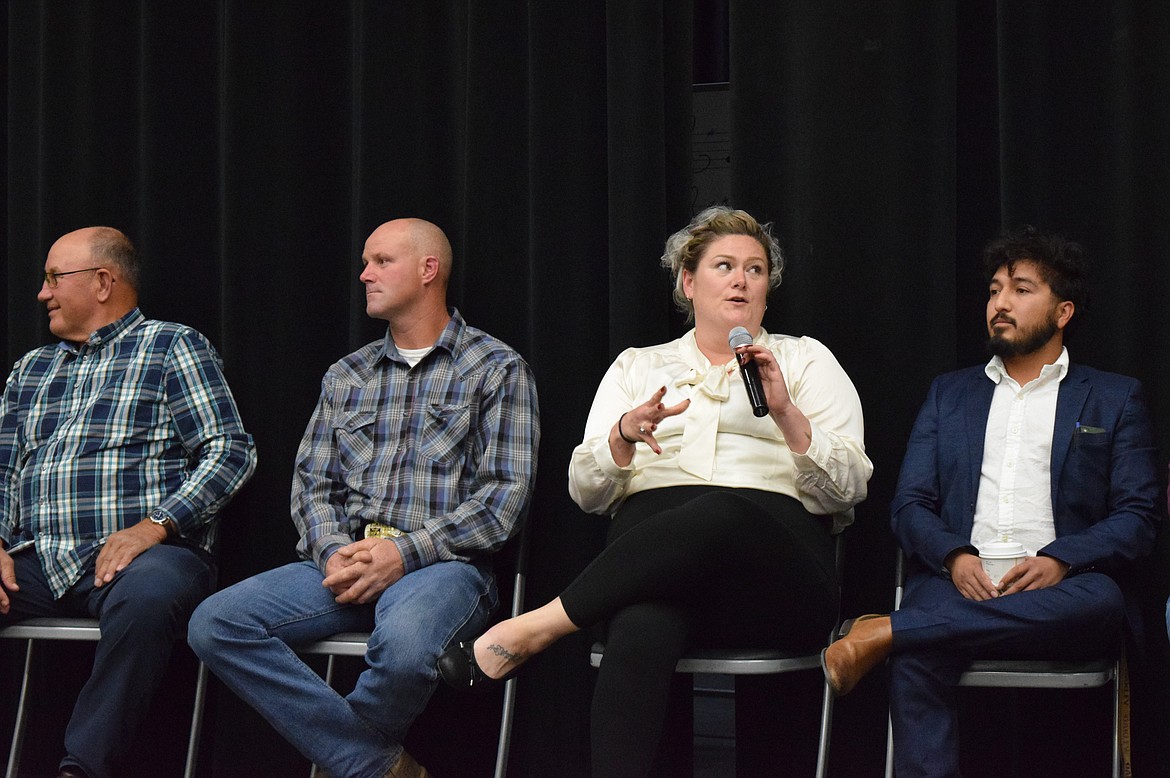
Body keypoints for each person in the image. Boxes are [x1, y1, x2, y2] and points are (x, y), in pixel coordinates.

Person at [438, 206, 872, 776]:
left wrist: (787, 412)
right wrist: (621, 437)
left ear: (768, 289)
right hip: (654, 577)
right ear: (688, 283)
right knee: (642, 620)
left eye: (756, 269)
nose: (742, 279)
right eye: (724, 266)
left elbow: (850, 489)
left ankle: (537, 627)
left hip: (774, 583)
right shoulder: (636, 368)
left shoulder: (806, 359)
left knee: (721, 509)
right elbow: (585, 493)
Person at [188, 218, 539, 778]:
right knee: (215, 622)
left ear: (429, 270)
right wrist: (332, 552)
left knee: (403, 652)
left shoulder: (496, 368)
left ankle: (344, 765)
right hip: (345, 563)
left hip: (443, 569)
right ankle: (379, 766)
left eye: (381, 261)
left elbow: (504, 501)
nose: (364, 274)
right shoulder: (345, 375)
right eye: (366, 261)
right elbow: (312, 486)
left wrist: (403, 553)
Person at [822, 226, 1161, 777]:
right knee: (920, 651)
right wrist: (955, 557)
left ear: (1063, 311)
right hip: (961, 582)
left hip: (1067, 586)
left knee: (1103, 603)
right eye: (995, 289)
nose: (1000, 303)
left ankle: (886, 630)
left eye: (1021, 289)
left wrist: (1061, 558)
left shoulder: (1114, 396)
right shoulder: (949, 394)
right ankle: (907, 633)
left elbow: (1139, 517)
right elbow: (909, 505)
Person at [0, 227, 257, 778]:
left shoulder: (171, 346)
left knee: (149, 595)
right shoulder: (31, 369)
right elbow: (2, 468)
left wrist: (155, 526)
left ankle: (82, 769)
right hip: (40, 559)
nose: (42, 293)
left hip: (144, 558)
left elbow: (230, 451)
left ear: (102, 282)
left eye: (53, 278)